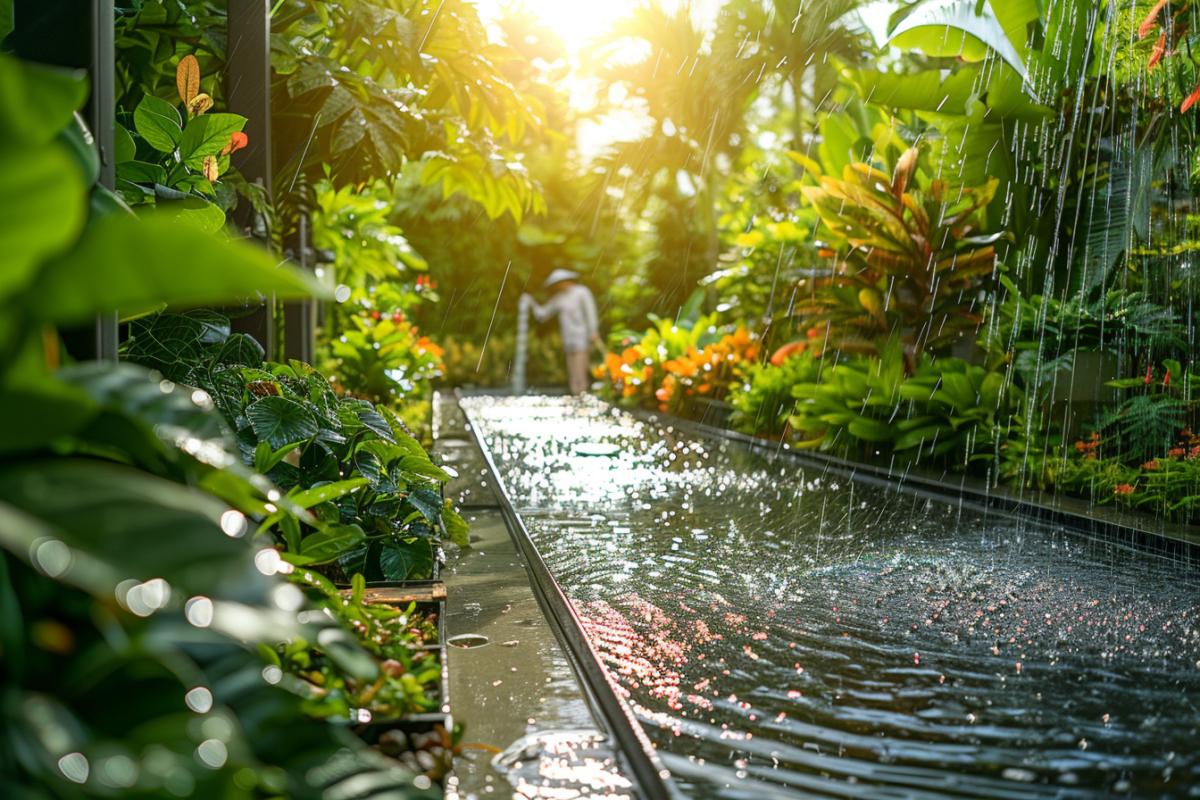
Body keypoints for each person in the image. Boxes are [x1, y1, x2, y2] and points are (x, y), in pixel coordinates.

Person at [522, 269, 601, 395]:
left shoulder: (582, 292)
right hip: (568, 338)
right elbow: (542, 315)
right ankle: (575, 396)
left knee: (580, 372)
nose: (560, 285)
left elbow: (590, 312)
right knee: (572, 373)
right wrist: (530, 301)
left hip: (581, 337)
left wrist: (593, 330)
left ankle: (582, 396)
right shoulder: (559, 298)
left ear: (567, 280)